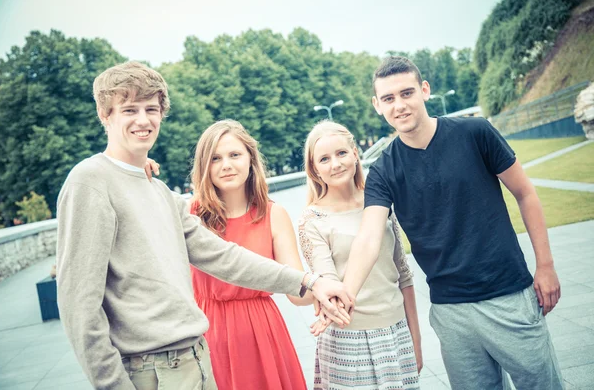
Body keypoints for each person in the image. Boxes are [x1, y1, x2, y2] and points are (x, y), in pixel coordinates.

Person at [55, 61, 352, 390]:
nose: (143, 120)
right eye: (129, 109)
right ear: (105, 115)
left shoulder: (161, 193)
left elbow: (224, 257)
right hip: (149, 369)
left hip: (195, 361)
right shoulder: (90, 182)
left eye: (151, 108)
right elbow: (79, 305)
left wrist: (311, 282)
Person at [342, 56, 563, 390]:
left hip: (509, 296)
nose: (399, 105)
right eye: (388, 98)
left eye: (406, 93)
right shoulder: (383, 171)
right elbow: (369, 238)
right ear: (377, 105)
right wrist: (345, 294)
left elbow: (525, 193)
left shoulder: (476, 133)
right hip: (450, 312)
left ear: (424, 90)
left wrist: (545, 266)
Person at [187, 119, 309, 390]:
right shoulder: (191, 215)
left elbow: (298, 293)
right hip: (207, 332)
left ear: (251, 160)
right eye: (215, 158)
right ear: (204, 166)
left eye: (234, 155)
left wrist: (327, 277)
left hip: (262, 333)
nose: (226, 165)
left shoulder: (273, 213)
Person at [299, 121, 421, 389]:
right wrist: (332, 308)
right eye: (324, 159)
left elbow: (404, 274)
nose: (335, 164)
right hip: (347, 340)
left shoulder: (379, 203)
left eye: (341, 153)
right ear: (314, 169)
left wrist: (416, 340)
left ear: (355, 153)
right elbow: (329, 283)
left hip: (396, 332)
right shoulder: (313, 219)